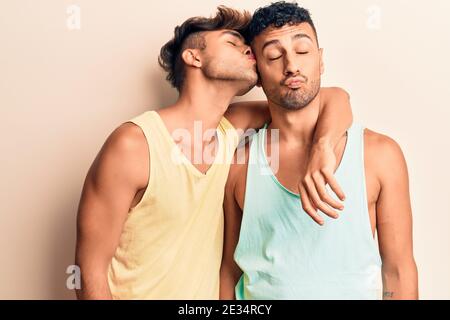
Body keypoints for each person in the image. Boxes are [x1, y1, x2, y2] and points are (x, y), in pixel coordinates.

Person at [75, 5, 353, 299]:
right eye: (233, 43)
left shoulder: (231, 131)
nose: (249, 51)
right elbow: (89, 269)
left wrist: (322, 148)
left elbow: (333, 98)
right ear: (193, 56)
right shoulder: (134, 145)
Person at [220, 2, 418, 300]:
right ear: (257, 72)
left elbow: (398, 270)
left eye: (302, 51)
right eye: (274, 55)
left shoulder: (379, 155)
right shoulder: (239, 161)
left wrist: (323, 144)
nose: (292, 66)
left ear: (321, 60)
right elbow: (228, 271)